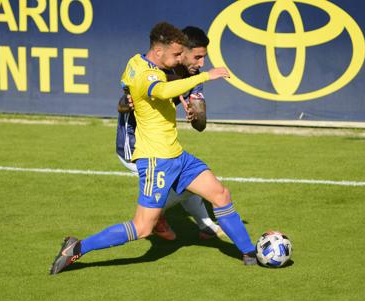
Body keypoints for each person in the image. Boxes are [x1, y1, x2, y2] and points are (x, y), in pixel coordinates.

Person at [50, 22, 257, 275]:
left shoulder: (144, 63)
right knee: (142, 228)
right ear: (159, 52)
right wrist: (206, 75)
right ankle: (78, 247)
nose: (181, 59)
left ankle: (250, 252)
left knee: (220, 194)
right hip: (156, 161)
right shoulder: (147, 74)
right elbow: (160, 90)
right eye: (177, 54)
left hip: (177, 156)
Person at [116, 26, 224, 241]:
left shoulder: (193, 78)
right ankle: (157, 216)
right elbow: (124, 102)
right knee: (188, 183)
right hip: (134, 144)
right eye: (198, 57)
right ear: (181, 52)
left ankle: (205, 226)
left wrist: (196, 112)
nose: (202, 64)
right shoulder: (152, 69)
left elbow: (200, 125)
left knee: (191, 180)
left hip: (162, 147)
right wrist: (126, 103)